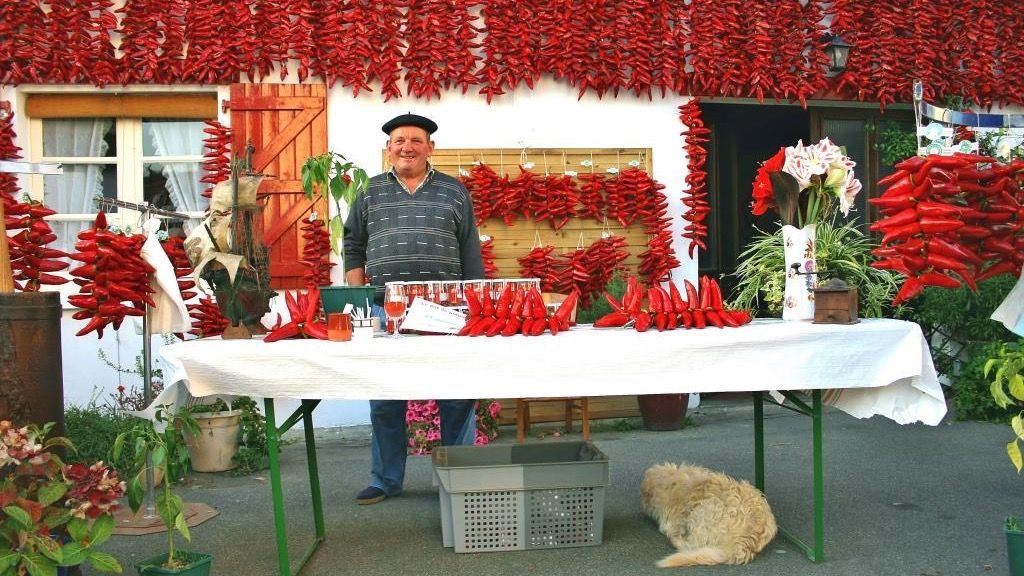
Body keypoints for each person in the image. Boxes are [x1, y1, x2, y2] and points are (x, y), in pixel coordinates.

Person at [343, 113, 484, 505]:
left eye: (416, 140)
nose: (407, 147)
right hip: (384, 309)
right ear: (388, 148)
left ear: (430, 148)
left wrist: (476, 306)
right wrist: (359, 296)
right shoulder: (368, 191)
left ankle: (457, 478)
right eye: (400, 141)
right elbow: (353, 245)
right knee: (385, 398)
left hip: (447, 308)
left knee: (456, 397)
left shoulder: (455, 191)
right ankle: (385, 480)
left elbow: (470, 250)